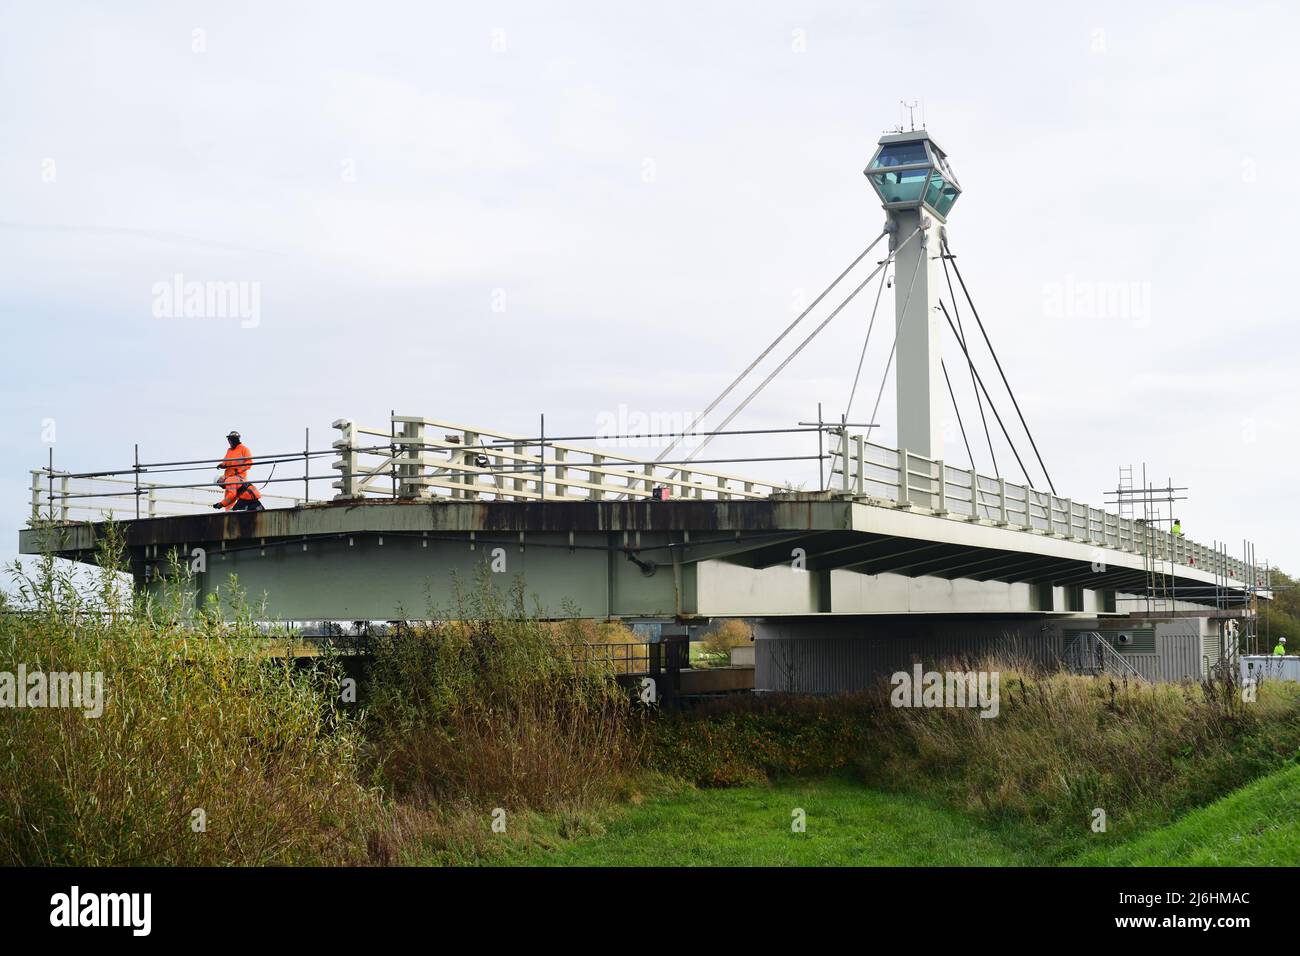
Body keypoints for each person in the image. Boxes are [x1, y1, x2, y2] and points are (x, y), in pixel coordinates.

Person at [213, 430, 263, 512]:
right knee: (230, 496)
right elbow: (226, 462)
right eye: (229, 440)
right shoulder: (229, 451)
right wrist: (222, 465)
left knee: (234, 495)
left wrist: (238, 471)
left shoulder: (244, 449)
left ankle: (232, 512)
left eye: (231, 439)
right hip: (229, 479)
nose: (229, 442)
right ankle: (229, 512)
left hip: (238, 478)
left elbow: (249, 462)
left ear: (236, 440)